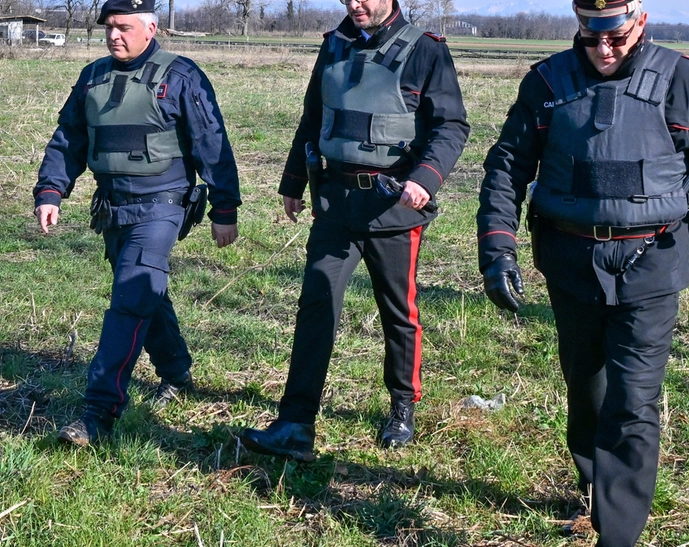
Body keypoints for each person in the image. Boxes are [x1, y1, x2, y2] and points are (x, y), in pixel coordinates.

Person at [474, 0, 689, 543]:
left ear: (641, 22)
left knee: (633, 399)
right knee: (587, 388)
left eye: (617, 38)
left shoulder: (686, 81)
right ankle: (595, 483)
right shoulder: (548, 81)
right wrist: (496, 248)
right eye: (591, 35)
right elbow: (507, 166)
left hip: (652, 261)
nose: (603, 49)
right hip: (571, 262)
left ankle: (616, 532)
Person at [239, 0, 469, 460]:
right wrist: (293, 181)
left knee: (397, 312)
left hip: (393, 207)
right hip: (335, 203)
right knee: (316, 305)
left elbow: (452, 126)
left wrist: (424, 179)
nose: (355, 4)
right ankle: (296, 422)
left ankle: (403, 407)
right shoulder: (334, 46)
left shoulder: (427, 50)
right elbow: (312, 117)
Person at [33, 0, 241, 446]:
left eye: (123, 27)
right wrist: (51, 191)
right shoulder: (92, 77)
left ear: (150, 27)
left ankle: (97, 413)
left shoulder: (181, 75)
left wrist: (225, 210)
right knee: (145, 292)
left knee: (129, 298)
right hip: (112, 207)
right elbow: (69, 138)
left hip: (163, 204)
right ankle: (177, 372)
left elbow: (212, 144)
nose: (113, 36)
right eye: (108, 28)